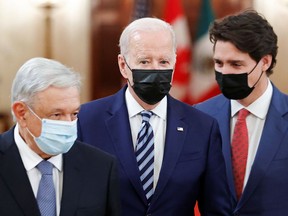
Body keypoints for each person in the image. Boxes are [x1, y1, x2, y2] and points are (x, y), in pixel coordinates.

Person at [77, 17, 231, 215]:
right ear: (123, 65)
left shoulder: (202, 127)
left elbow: (216, 209)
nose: (155, 69)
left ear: (175, 62)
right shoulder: (87, 121)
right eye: (144, 61)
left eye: (164, 61)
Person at [195, 9, 288, 215]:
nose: (224, 72)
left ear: (265, 62)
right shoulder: (199, 116)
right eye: (218, 63)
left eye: (236, 64)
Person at [0, 57, 120, 216]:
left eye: (74, 114)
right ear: (22, 113)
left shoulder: (101, 167)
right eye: (56, 115)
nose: (68, 123)